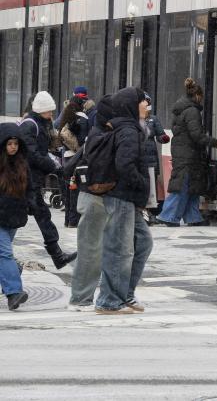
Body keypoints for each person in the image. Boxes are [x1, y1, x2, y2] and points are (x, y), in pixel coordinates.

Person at [95, 87, 152, 315]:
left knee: (143, 242)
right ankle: (109, 300)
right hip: (121, 197)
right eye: (142, 102)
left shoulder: (130, 128)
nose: (146, 106)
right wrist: (142, 184)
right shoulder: (128, 130)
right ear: (131, 105)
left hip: (127, 199)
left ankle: (124, 292)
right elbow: (125, 166)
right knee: (118, 249)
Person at [19, 91, 77, 269]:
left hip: (32, 180)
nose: (51, 114)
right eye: (48, 111)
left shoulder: (42, 124)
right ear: (40, 110)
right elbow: (33, 154)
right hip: (25, 181)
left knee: (41, 215)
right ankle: (57, 256)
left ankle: (57, 255)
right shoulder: (30, 125)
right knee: (17, 216)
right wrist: (54, 167)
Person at [67, 96, 114, 312]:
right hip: (95, 198)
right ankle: (81, 298)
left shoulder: (98, 133)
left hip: (93, 197)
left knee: (94, 249)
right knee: (91, 250)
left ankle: (98, 296)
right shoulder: (102, 136)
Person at [157, 78, 217, 227]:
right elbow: (196, 135)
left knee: (192, 188)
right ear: (197, 95)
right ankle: (168, 216)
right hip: (189, 156)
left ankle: (193, 217)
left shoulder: (181, 110)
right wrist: (213, 142)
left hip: (184, 153)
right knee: (182, 186)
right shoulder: (192, 111)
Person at [0, 123, 32, 310]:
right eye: (9, 143)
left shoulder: (22, 164)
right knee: (4, 253)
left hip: (13, 218)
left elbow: (30, 190)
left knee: (4, 257)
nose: (13, 147)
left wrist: (29, 206)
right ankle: (14, 292)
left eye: (16, 143)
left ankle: (14, 270)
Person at [58, 95, 90, 228]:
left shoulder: (67, 115)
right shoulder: (82, 118)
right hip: (76, 156)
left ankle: (67, 220)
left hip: (66, 155)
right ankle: (73, 220)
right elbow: (83, 139)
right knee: (75, 189)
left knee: (68, 188)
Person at [141, 93, 170, 224]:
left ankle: (151, 211)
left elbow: (160, 134)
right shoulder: (134, 119)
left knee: (152, 186)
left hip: (151, 157)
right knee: (141, 184)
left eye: (148, 105)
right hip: (139, 157)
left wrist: (163, 138)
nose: (147, 108)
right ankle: (141, 210)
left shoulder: (153, 119)